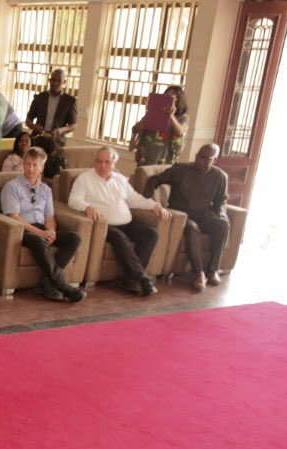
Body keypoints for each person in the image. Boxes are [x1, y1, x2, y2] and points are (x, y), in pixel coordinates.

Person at [68, 146, 171, 296]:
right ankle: (142, 278)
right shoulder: (84, 178)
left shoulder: (121, 179)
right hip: (104, 225)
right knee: (119, 238)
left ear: (114, 164)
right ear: (94, 162)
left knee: (151, 234)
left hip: (127, 223)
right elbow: (73, 200)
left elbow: (134, 199)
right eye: (99, 161)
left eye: (107, 162)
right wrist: (87, 207)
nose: (102, 166)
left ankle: (129, 279)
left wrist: (155, 206)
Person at [0, 147, 86, 302]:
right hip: (22, 230)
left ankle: (46, 283)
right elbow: (13, 217)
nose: (30, 169)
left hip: (41, 228)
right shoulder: (12, 187)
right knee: (39, 240)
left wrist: (51, 231)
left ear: (41, 167)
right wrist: (41, 233)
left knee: (75, 238)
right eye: (27, 164)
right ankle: (63, 287)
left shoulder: (46, 190)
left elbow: (49, 217)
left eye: (34, 165)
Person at [144, 144, 229, 290]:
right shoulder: (180, 170)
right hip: (181, 214)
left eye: (207, 159)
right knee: (191, 228)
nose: (201, 160)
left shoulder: (220, 176)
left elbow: (221, 201)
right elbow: (154, 180)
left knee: (223, 225)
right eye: (200, 156)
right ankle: (199, 273)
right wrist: (149, 201)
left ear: (214, 160)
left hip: (203, 214)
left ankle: (213, 270)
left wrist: (220, 212)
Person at [132, 85, 189, 167]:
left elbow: (180, 133)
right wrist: (150, 112)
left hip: (164, 159)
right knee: (142, 178)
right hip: (145, 156)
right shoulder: (154, 112)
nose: (169, 98)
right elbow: (135, 129)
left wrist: (171, 115)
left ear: (179, 100)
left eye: (172, 97)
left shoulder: (182, 117)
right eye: (166, 95)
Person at [26, 69, 78, 150]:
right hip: (37, 139)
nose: (55, 83)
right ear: (49, 81)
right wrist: (34, 126)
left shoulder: (70, 101)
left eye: (59, 81)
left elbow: (73, 125)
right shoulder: (40, 97)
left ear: (64, 82)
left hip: (56, 142)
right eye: (53, 80)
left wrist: (61, 130)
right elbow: (28, 120)